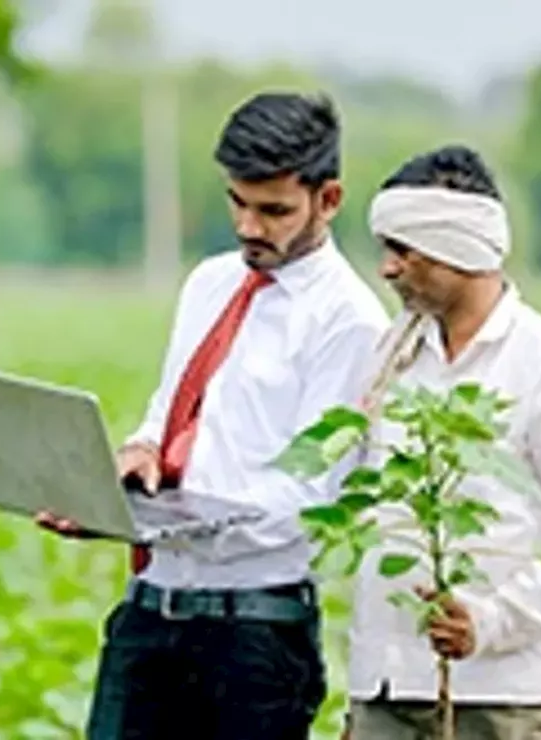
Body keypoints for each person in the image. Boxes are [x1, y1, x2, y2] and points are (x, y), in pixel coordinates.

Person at [35, 90, 391, 738]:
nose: (250, 227)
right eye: (238, 202)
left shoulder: (350, 321)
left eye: (274, 210)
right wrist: (135, 464)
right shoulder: (209, 283)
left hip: (253, 637)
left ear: (328, 199)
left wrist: (178, 521)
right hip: (149, 615)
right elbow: (166, 415)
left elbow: (313, 499)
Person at [339, 144, 541, 739]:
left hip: (503, 699)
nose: (386, 269)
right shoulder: (390, 359)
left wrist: (490, 622)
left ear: (457, 247)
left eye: (401, 249)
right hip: (387, 689)